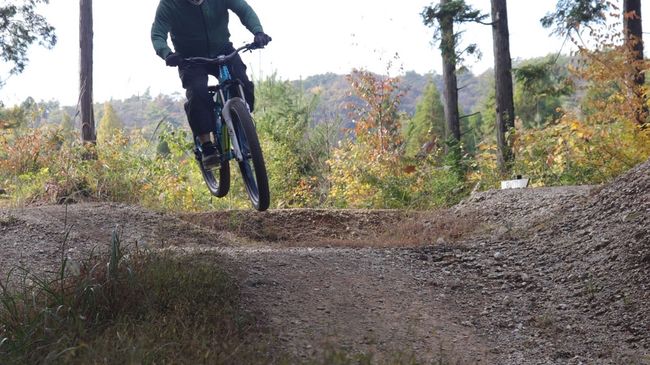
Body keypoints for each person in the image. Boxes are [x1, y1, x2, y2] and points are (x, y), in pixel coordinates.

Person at [151, 0, 271, 168]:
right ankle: (207, 146)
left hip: (223, 49)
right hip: (189, 58)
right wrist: (167, 53)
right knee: (198, 92)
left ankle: (242, 122)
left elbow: (244, 10)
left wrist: (258, 32)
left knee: (242, 81)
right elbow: (158, 33)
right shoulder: (169, 4)